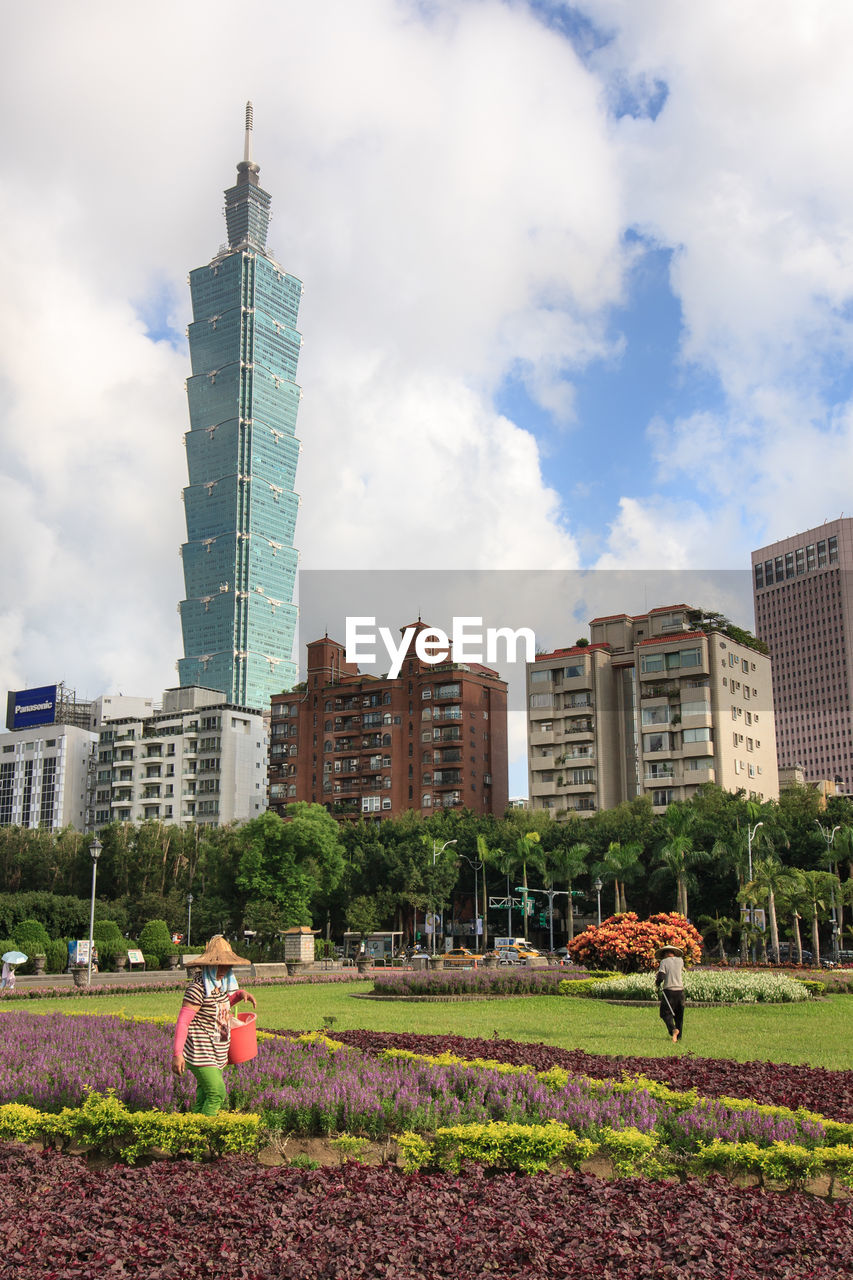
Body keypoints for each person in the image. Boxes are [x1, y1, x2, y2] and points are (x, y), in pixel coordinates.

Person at [171, 934, 257, 1116]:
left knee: (203, 1097)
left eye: (227, 965)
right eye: (220, 965)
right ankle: (203, 1135)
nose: (224, 969)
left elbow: (218, 1009)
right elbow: (183, 1021)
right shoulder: (198, 988)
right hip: (200, 1052)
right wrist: (178, 1053)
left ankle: (190, 1135)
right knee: (217, 1093)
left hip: (216, 1050)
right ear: (209, 964)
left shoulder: (218, 987)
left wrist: (238, 995)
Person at [654, 943, 685, 1044]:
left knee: (665, 1013)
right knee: (679, 1015)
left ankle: (673, 1029)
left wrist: (657, 984)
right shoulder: (681, 961)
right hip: (680, 990)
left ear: (665, 954)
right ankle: (679, 1037)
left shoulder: (664, 962)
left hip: (669, 990)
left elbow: (662, 975)